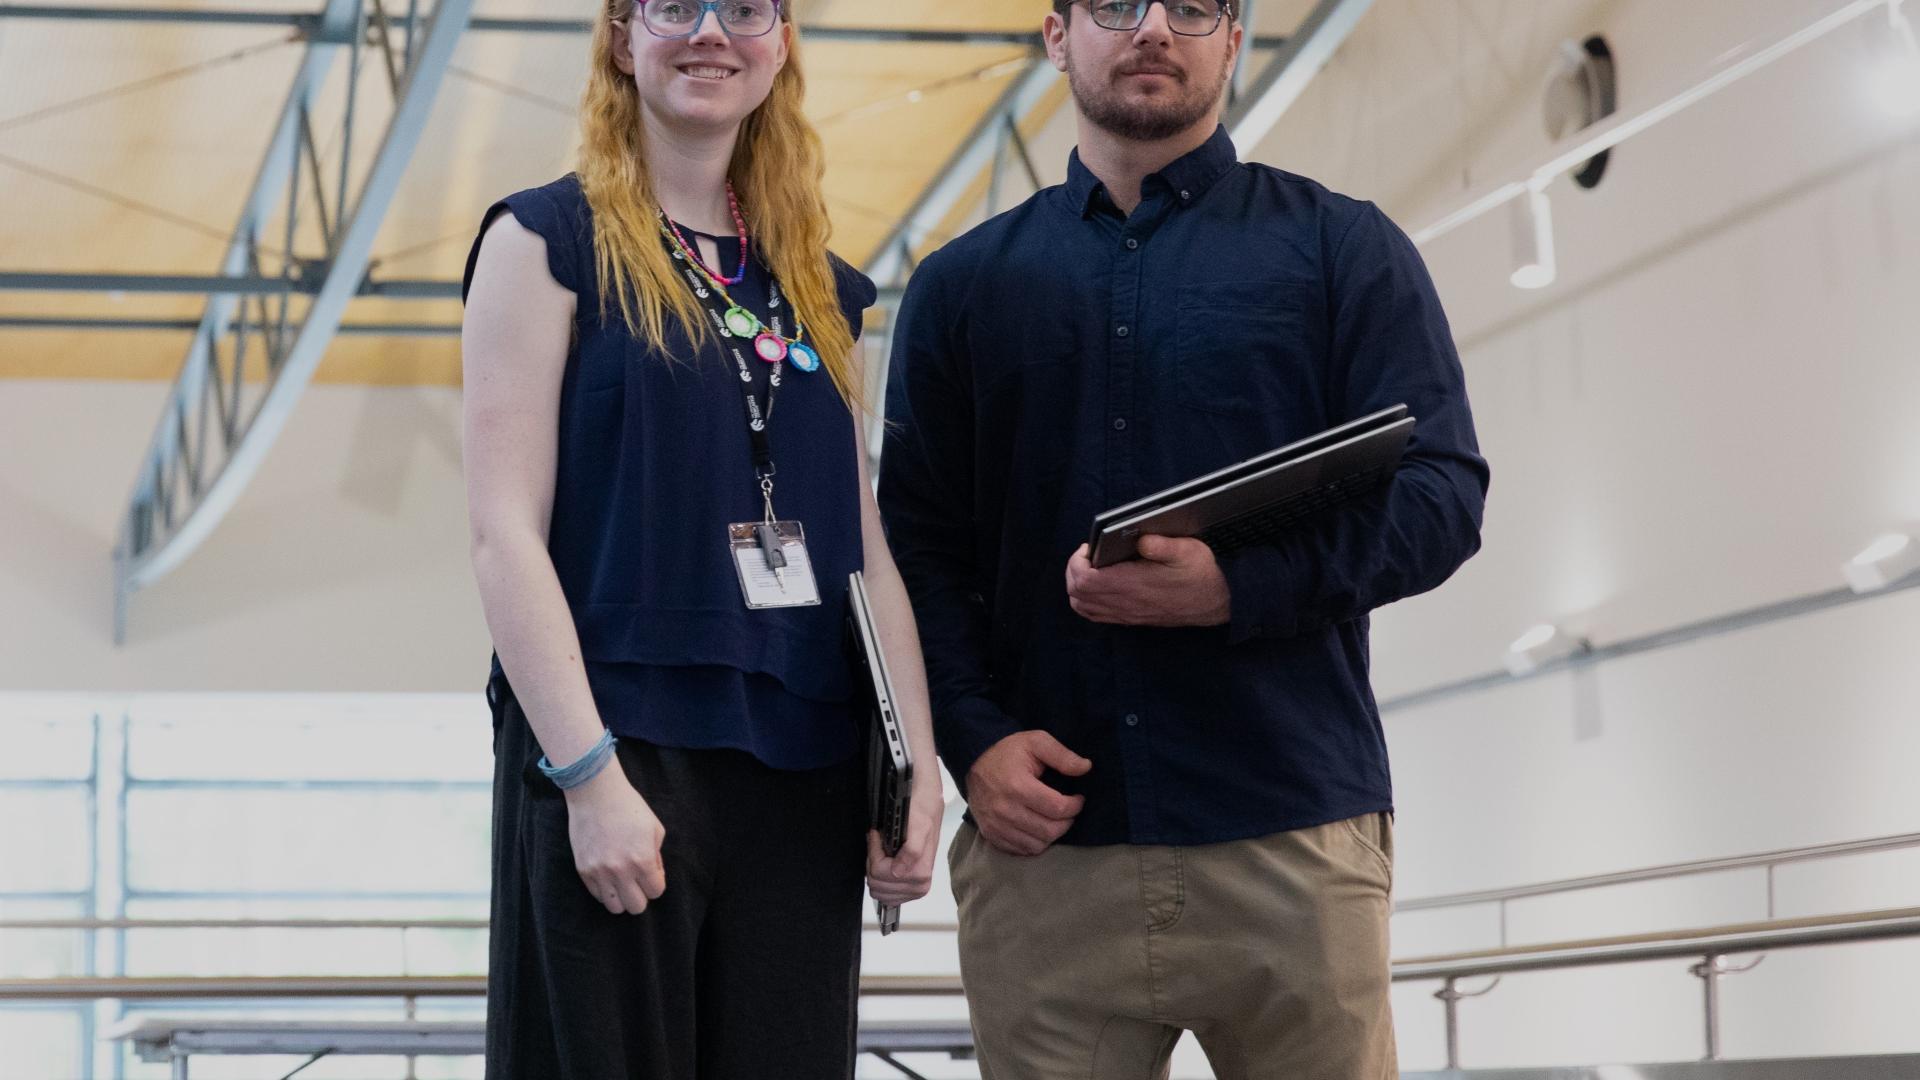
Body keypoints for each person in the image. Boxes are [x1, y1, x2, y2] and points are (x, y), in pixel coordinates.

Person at [878, 0, 1490, 1076]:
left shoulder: (1343, 249)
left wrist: (1236, 588)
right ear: (1058, 34)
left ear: (1235, 38)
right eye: (1116, 4)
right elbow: (912, 549)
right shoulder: (960, 288)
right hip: (1046, 856)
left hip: (1291, 838)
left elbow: (1443, 495)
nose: (1154, 27)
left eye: (1194, 5)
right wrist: (970, 740)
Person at [460, 1, 943, 1075]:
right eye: (675, 6)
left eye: (747, 8)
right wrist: (586, 775)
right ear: (625, 37)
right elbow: (503, 533)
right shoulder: (544, 244)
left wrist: (915, 765)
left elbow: (862, 545)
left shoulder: (817, 285)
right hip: (624, 748)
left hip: (804, 764)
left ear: (779, 45)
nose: (711, 31)